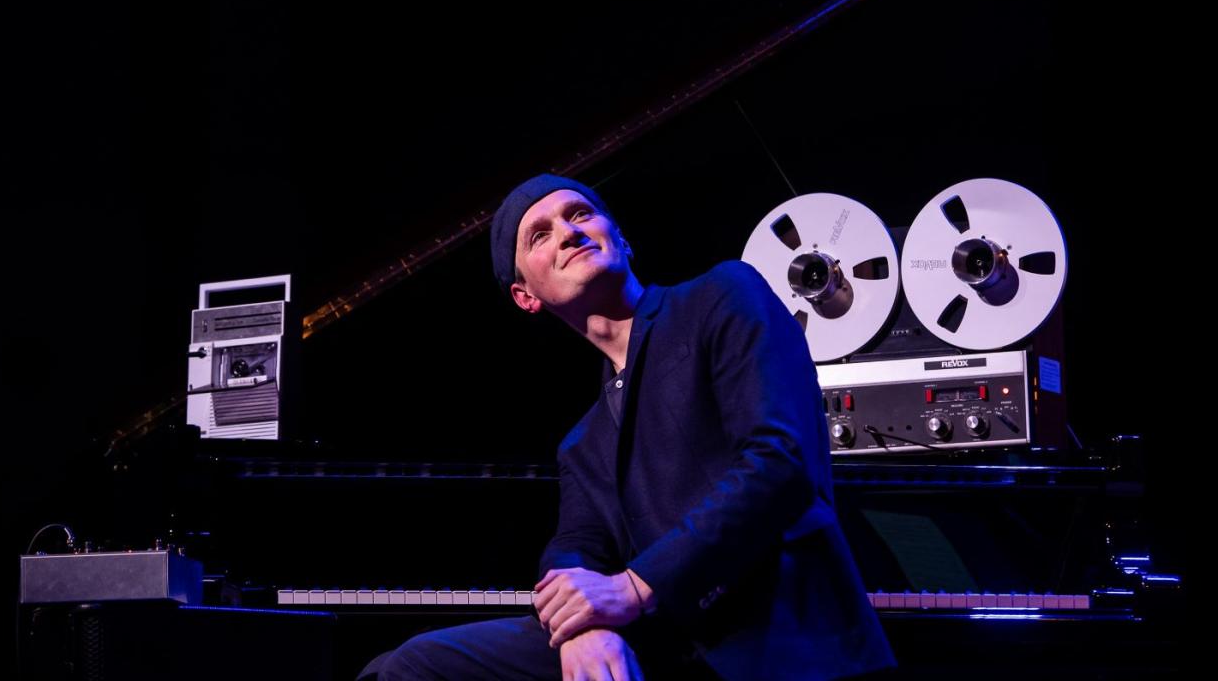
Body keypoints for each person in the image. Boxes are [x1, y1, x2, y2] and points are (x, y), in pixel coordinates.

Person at [367, 174, 895, 680]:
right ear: (525, 295)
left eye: (580, 214)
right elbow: (574, 545)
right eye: (540, 235)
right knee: (407, 665)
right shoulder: (582, 443)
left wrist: (634, 588)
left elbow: (780, 462)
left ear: (620, 239)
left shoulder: (720, 295)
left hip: (781, 640)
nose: (568, 232)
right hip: (668, 649)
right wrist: (581, 625)